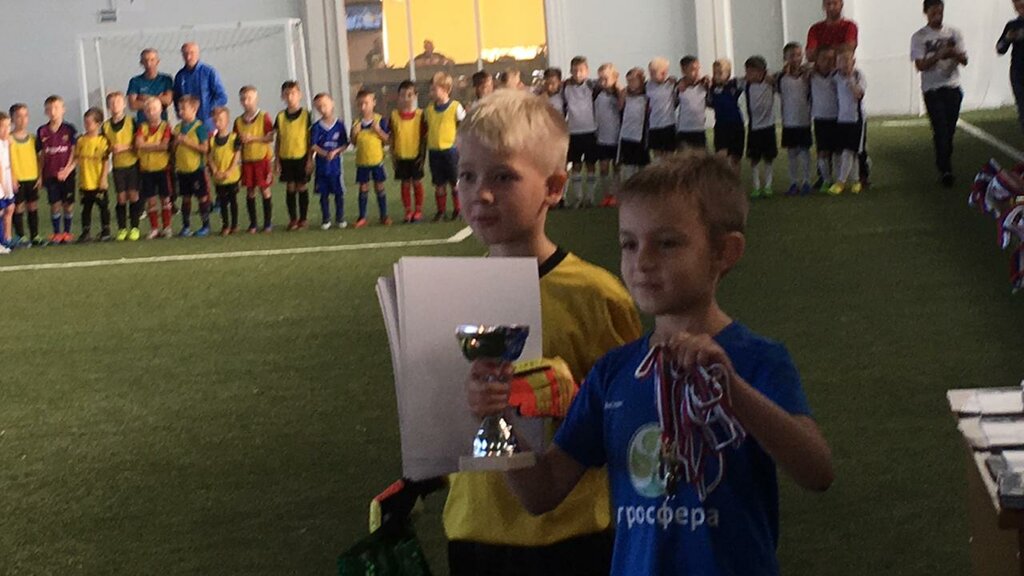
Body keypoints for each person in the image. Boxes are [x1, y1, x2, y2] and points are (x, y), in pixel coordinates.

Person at [491, 151, 833, 576]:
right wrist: (495, 418)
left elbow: (817, 471)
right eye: (629, 244)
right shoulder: (613, 373)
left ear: (724, 252)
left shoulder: (756, 360)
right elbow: (540, 492)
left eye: (667, 243)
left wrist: (732, 390)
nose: (642, 261)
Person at [447, 88, 642, 576]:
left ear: (554, 187)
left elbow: (629, 420)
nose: (480, 193)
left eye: (503, 176)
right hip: (472, 528)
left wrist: (559, 397)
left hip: (569, 533)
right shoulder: (448, 292)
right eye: (467, 175)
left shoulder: (596, 296)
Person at [912, 0, 967, 188]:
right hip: (932, 89)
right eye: (934, 13)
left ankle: (945, 161)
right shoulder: (919, 37)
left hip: (952, 86)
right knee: (940, 129)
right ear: (926, 13)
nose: (937, 16)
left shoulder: (954, 33)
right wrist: (938, 55)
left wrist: (953, 53)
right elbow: (920, 65)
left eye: (940, 12)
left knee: (949, 130)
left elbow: (964, 59)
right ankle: (945, 169)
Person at [37, 95, 78, 245]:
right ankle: (56, 233)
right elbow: (42, 155)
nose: (53, 112)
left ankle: (67, 232)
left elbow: (74, 152)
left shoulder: (69, 129)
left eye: (56, 108)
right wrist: (40, 175)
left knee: (68, 204)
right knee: (54, 204)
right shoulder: (42, 131)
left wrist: (67, 170)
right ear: (45, 112)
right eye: (49, 109)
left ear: (63, 110)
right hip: (50, 174)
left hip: (67, 174)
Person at [234, 86, 275, 234]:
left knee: (265, 189)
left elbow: (270, 137)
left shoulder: (264, 116)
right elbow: (235, 142)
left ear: (256, 99)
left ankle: (268, 223)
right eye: (243, 99)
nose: (246, 102)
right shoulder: (238, 121)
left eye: (249, 98)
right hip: (247, 161)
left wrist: (253, 138)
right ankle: (253, 223)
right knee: (250, 191)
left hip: (262, 160)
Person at [425, 71, 465, 221]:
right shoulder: (429, 110)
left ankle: (458, 209)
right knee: (439, 183)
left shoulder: (455, 107)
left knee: (455, 182)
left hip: (451, 151)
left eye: (434, 89)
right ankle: (441, 211)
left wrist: (460, 143)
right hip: (434, 151)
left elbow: (463, 125)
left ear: (446, 89)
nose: (431, 93)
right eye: (430, 89)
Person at [103, 92, 142, 241]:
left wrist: (124, 147)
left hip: (132, 164)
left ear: (124, 104)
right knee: (121, 197)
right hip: (118, 166)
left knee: (133, 195)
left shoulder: (132, 122)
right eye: (112, 103)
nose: (115, 105)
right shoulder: (106, 126)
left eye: (118, 102)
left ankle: (135, 227)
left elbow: (138, 144)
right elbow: (104, 147)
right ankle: (122, 228)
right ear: (108, 106)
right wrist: (109, 149)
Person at [69, 107, 111, 243]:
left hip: (98, 181)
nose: (86, 126)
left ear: (98, 124)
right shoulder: (81, 140)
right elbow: (76, 158)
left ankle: (106, 231)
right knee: (86, 208)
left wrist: (103, 178)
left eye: (89, 123)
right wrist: (68, 170)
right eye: (85, 123)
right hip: (85, 181)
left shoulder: (103, 141)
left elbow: (105, 161)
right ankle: (86, 232)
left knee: (103, 206)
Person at [276, 81, 313, 230]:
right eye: (286, 94)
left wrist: (310, 159)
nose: (290, 97)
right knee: (290, 187)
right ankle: (293, 219)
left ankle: (303, 219)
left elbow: (310, 139)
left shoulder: (306, 115)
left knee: (301, 186)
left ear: (299, 95)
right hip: (286, 157)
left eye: (293, 93)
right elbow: (278, 139)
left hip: (301, 157)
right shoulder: (280, 116)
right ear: (282, 97)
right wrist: (276, 160)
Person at [829, 49, 867, 195]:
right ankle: (856, 181)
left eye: (847, 60)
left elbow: (858, 94)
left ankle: (841, 182)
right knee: (849, 152)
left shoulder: (858, 76)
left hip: (856, 119)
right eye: (841, 61)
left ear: (853, 61)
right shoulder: (835, 77)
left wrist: (851, 82)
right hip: (841, 119)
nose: (844, 64)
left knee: (849, 151)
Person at [351, 89, 391, 228]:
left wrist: (378, 130)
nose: (363, 107)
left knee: (379, 186)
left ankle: (384, 215)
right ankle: (362, 217)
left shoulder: (380, 120)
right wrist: (354, 134)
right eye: (360, 104)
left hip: (377, 161)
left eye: (366, 103)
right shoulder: (356, 122)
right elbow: (354, 142)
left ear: (373, 103)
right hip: (362, 162)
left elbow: (388, 140)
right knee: (363, 187)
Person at [135, 97, 174, 239]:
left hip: (162, 169)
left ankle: (167, 227)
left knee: (165, 199)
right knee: (151, 200)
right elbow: (138, 144)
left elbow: (164, 146)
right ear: (145, 112)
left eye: (154, 109)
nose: (151, 112)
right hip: (147, 170)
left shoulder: (165, 126)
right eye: (148, 110)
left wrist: (147, 145)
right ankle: (154, 228)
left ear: (161, 110)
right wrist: (156, 145)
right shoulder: (142, 127)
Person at [173, 95, 211, 237]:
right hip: (182, 170)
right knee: (185, 198)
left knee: (201, 197)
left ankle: (205, 225)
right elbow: (172, 149)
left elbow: (205, 148)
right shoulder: (177, 128)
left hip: (196, 169)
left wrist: (188, 142)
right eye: (179, 109)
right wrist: (175, 143)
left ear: (194, 109)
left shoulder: (199, 127)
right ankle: (186, 226)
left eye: (184, 109)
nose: (181, 112)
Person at [310, 93, 349, 230]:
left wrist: (335, 151)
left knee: (338, 193)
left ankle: (340, 217)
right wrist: (324, 153)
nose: (323, 109)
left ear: (332, 104)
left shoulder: (339, 125)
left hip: (336, 166)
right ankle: (326, 218)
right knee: (323, 193)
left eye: (325, 105)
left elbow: (345, 144)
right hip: (322, 166)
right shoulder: (316, 127)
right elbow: (313, 145)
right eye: (319, 107)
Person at [779, 43, 814, 196]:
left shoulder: (808, 76)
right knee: (792, 154)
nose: (795, 59)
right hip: (789, 121)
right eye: (791, 55)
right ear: (785, 58)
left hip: (804, 120)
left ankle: (806, 181)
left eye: (798, 55)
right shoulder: (781, 78)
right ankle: (793, 182)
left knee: (805, 152)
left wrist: (807, 71)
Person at [564, 56, 599, 208]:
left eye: (581, 70)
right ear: (570, 71)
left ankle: (590, 198)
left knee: (590, 165)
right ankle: (578, 198)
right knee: (576, 165)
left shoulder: (593, 86)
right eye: (575, 70)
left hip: (590, 131)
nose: (578, 73)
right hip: (573, 132)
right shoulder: (565, 87)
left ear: (587, 71)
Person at [390, 81, 427, 223]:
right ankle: (408, 211)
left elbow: (424, 137)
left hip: (416, 155)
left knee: (417, 182)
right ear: (398, 96)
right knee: (405, 183)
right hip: (401, 156)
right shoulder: (394, 115)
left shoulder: (420, 115)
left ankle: (418, 210)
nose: (406, 98)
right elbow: (392, 137)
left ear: (416, 96)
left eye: (410, 95)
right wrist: (392, 156)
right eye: (402, 95)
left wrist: (423, 155)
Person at [744, 56, 778, 199]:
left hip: (768, 126)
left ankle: (768, 185)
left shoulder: (770, 82)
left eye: (750, 72)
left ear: (761, 72)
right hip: (754, 127)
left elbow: (780, 77)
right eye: (747, 71)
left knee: (768, 158)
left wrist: (770, 77)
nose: (747, 75)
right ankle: (756, 186)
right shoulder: (746, 85)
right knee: (754, 158)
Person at [9, 104, 42, 246]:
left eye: (25, 116)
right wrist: (12, 177)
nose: (22, 120)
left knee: (33, 206)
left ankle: (35, 235)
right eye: (19, 116)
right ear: (12, 119)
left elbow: (40, 158)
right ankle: (20, 235)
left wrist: (40, 176)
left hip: (32, 177)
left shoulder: (33, 138)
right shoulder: (8, 139)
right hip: (17, 179)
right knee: (18, 207)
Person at [173, 42, 229, 126]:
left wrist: (208, 110)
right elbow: (176, 98)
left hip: (207, 122)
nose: (188, 57)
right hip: (188, 124)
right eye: (185, 54)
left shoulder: (209, 72)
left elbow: (222, 97)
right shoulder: (180, 76)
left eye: (192, 53)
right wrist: (181, 112)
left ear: (198, 54)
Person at [207, 106, 242, 236]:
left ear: (227, 121)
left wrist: (229, 171)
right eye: (215, 121)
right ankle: (225, 225)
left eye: (221, 120)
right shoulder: (212, 140)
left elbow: (236, 156)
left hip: (231, 177)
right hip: (219, 178)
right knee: (222, 202)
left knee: (233, 200)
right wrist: (215, 170)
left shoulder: (234, 138)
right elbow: (210, 157)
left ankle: (234, 225)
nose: (218, 123)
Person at [810, 47, 840, 192]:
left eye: (831, 59)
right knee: (823, 151)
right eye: (824, 59)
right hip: (820, 118)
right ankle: (826, 179)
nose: (828, 62)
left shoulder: (838, 76)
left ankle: (840, 179)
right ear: (817, 61)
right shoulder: (811, 76)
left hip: (838, 118)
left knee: (838, 151)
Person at [594, 63, 623, 207]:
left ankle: (616, 194)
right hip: (602, 137)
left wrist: (619, 91)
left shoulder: (620, 94)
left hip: (616, 136)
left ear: (615, 77)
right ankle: (607, 194)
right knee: (604, 168)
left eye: (606, 79)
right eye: (601, 79)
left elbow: (622, 107)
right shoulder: (597, 93)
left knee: (617, 167)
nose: (603, 82)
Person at [708, 59, 745, 165]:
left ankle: (735, 175)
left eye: (720, 73)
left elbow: (748, 78)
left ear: (728, 74)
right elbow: (710, 103)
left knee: (735, 157)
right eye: (715, 73)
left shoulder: (734, 84)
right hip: (721, 126)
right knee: (721, 155)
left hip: (736, 125)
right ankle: (722, 175)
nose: (717, 76)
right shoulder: (712, 88)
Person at [997, 0, 1024, 135]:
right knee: (1022, 108)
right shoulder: (1012, 26)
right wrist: (1007, 38)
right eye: (1017, 6)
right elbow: (1000, 49)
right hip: (1018, 72)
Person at [619, 67, 651, 180]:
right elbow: (619, 108)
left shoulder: (647, 94)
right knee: (627, 167)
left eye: (633, 80)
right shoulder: (625, 94)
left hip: (641, 137)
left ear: (641, 80)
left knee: (642, 167)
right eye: (628, 81)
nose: (630, 83)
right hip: (626, 136)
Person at [127, 49, 174, 124]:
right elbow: (133, 105)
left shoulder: (166, 79)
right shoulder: (135, 81)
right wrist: (158, 101)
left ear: (157, 61)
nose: (149, 63)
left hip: (161, 124)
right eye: (145, 60)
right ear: (141, 62)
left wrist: (146, 98)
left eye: (152, 60)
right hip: (142, 124)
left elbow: (168, 100)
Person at [676, 56, 710, 150]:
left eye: (698, 69)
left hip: (699, 129)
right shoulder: (678, 88)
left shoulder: (704, 86)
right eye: (693, 70)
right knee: (683, 157)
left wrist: (708, 82)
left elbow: (710, 102)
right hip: (684, 130)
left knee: (701, 157)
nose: (697, 73)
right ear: (683, 70)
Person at [647, 57, 677, 158]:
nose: (651, 76)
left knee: (669, 154)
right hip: (654, 125)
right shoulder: (647, 86)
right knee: (657, 154)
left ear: (664, 73)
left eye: (653, 73)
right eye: (650, 72)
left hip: (668, 125)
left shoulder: (671, 85)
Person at [0, 113, 13, 253]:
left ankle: (5, 240)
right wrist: (2, 186)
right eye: (2, 126)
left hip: (6, 180)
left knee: (7, 209)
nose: (6, 129)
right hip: (1, 182)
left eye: (8, 126)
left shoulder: (5, 142)